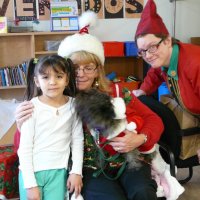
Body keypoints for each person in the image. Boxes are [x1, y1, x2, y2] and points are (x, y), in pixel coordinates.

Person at [15, 11, 164, 200]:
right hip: (90, 169)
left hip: (129, 162)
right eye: (74, 67)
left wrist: (141, 138)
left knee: (142, 193)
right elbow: (25, 146)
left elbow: (154, 120)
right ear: (65, 71)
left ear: (98, 70)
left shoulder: (117, 92)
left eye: (88, 67)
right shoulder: (57, 101)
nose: (81, 73)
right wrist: (21, 126)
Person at [132, 0, 200, 160]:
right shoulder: (162, 60)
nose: (147, 55)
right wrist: (142, 91)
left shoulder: (195, 63)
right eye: (142, 51)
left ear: (168, 41)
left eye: (152, 47)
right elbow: (154, 75)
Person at [17, 55, 83, 200]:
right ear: (37, 81)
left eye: (58, 76)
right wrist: (30, 185)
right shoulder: (31, 107)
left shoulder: (74, 105)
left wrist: (76, 172)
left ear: (66, 80)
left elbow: (77, 140)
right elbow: (25, 148)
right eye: (46, 77)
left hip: (58, 172)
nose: (52, 82)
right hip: (31, 174)